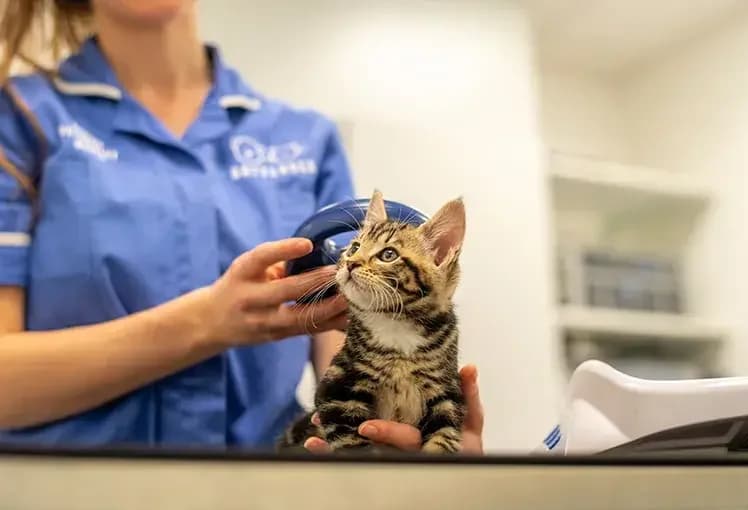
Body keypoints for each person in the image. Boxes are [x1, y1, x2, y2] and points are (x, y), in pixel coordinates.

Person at [0, 0, 483, 453]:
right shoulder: (19, 121)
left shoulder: (305, 142)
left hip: (272, 487)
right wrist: (206, 325)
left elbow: (352, 361)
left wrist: (415, 443)